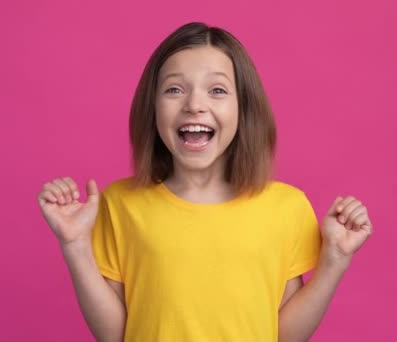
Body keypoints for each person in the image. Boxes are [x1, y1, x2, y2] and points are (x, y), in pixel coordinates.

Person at [37, 22, 374, 342]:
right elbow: (114, 335)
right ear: (152, 108)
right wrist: (75, 245)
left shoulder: (286, 207)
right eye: (174, 89)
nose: (195, 105)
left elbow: (284, 336)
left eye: (217, 90)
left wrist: (335, 260)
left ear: (244, 109)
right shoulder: (120, 204)